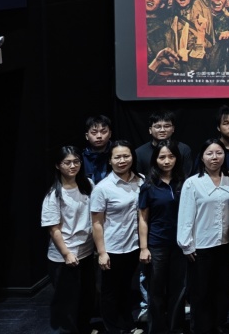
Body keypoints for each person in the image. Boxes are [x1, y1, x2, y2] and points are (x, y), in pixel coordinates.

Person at [178, 139, 229, 334]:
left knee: (222, 289)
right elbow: (186, 216)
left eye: (219, 153)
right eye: (209, 153)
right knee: (201, 292)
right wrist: (186, 244)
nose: (215, 157)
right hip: (201, 246)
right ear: (202, 157)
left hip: (225, 244)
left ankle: (219, 325)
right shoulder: (192, 183)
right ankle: (201, 328)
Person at [90, 141, 144, 334]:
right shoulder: (102, 188)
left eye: (126, 156)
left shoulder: (141, 180)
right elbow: (96, 223)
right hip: (112, 247)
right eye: (117, 157)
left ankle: (127, 325)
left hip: (134, 245)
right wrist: (102, 252)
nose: (122, 160)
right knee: (110, 292)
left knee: (126, 288)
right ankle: (113, 329)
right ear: (110, 160)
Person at [44, 146, 96, 334]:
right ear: (58, 166)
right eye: (67, 163)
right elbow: (53, 229)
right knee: (67, 301)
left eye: (76, 162)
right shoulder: (54, 194)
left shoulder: (88, 184)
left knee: (85, 296)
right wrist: (66, 254)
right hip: (65, 255)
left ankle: (84, 328)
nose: (73, 166)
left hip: (86, 251)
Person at [138, 141, 188, 334]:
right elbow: (143, 219)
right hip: (156, 244)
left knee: (178, 289)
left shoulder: (184, 183)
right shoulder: (148, 186)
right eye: (162, 157)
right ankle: (157, 330)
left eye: (171, 156)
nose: (167, 161)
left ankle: (176, 328)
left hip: (180, 244)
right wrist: (144, 248)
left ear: (177, 158)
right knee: (156, 290)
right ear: (155, 160)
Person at [135, 111, 196, 178]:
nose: (162, 130)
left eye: (167, 126)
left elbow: (187, 176)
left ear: (173, 129)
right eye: (158, 127)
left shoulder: (184, 149)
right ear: (150, 130)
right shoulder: (139, 152)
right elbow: (138, 178)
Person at [82, 116, 114, 184]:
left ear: (110, 134)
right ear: (87, 136)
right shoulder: (81, 158)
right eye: (94, 132)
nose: (99, 136)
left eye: (103, 132)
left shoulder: (117, 154)